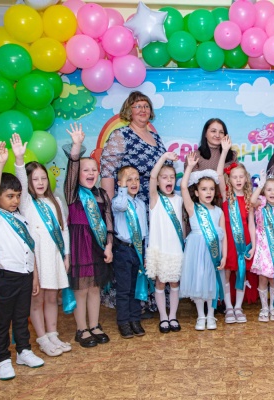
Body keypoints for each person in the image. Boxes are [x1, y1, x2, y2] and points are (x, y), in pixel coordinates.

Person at [100, 91, 168, 314]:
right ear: (128, 110)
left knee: (150, 251)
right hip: (129, 207)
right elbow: (108, 172)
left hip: (153, 204)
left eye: (146, 106)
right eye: (137, 106)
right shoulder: (121, 135)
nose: (142, 110)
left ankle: (151, 301)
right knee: (130, 256)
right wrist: (110, 208)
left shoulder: (155, 137)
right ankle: (131, 306)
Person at [0, 141, 44, 381]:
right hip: (6, 277)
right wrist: (0, 163)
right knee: (2, 320)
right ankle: (1, 358)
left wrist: (35, 276)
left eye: (18, 196)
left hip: (25, 275)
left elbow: (30, 249)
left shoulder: (22, 217)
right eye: (10, 196)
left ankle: (23, 351)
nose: (15, 200)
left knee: (21, 317)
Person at [11, 134, 71, 357]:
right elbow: (20, 178)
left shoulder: (55, 201)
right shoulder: (26, 202)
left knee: (51, 298)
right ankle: (42, 338)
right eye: (35, 179)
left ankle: (53, 334)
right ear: (28, 182)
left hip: (54, 256)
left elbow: (64, 230)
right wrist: (19, 159)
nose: (40, 182)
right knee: (36, 299)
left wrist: (66, 255)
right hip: (37, 259)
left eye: (43, 178)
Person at [64, 123, 113, 348]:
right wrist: (77, 146)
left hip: (96, 245)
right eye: (86, 170)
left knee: (95, 288)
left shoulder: (102, 194)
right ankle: (81, 329)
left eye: (94, 169)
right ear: (77, 175)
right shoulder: (73, 194)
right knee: (81, 289)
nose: (91, 173)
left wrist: (109, 245)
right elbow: (72, 167)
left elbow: (109, 222)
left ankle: (94, 325)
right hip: (79, 245)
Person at [179, 152, 227, 331]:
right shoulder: (193, 208)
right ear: (197, 192)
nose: (208, 192)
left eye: (211, 189)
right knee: (199, 282)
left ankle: (211, 315)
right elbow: (183, 187)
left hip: (213, 252)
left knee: (211, 282)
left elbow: (224, 236)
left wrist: (224, 256)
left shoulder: (219, 212)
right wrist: (190, 167)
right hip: (197, 250)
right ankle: (201, 316)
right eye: (204, 189)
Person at [217, 136, 256, 324]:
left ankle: (239, 307)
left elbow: (251, 224)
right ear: (229, 179)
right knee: (227, 273)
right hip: (229, 243)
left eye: (241, 177)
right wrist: (224, 151)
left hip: (244, 243)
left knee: (242, 273)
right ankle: (229, 307)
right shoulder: (226, 196)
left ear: (246, 178)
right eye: (235, 177)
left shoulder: (249, 199)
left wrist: (253, 245)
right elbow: (218, 174)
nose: (238, 180)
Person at [146, 152, 184, 334]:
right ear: (158, 181)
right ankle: (163, 317)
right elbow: (152, 176)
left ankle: (173, 316)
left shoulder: (179, 200)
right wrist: (163, 158)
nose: (168, 180)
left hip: (176, 250)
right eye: (164, 177)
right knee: (161, 283)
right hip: (160, 249)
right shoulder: (155, 199)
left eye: (172, 177)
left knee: (175, 283)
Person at [111, 165, 148, 339]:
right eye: (128, 179)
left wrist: (145, 253)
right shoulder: (118, 201)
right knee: (124, 289)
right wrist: (123, 189)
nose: (134, 183)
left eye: (136, 179)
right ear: (119, 183)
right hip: (123, 250)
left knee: (135, 286)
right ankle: (123, 321)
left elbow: (145, 230)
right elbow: (122, 205)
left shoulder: (140, 203)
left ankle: (135, 319)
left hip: (138, 250)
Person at [249, 172, 274, 322]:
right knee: (263, 278)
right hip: (263, 247)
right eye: (269, 189)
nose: (272, 193)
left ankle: (273, 307)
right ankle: (264, 308)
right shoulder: (261, 204)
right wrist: (259, 186)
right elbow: (252, 201)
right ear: (264, 192)